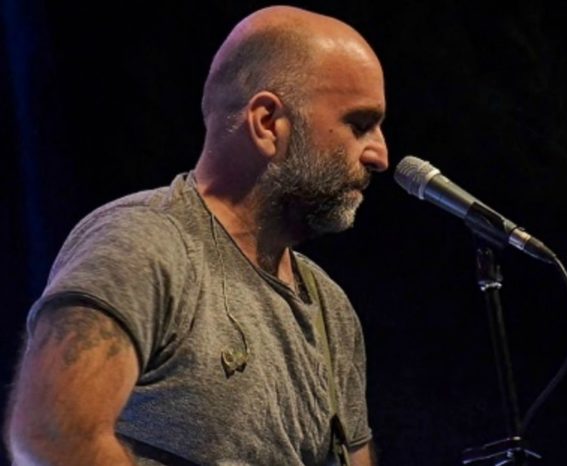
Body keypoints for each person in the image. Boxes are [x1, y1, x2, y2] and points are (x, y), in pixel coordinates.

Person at [5, 5, 388, 465]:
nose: (380, 155)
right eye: (359, 125)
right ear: (267, 122)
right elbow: (53, 436)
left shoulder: (331, 310)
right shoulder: (144, 245)